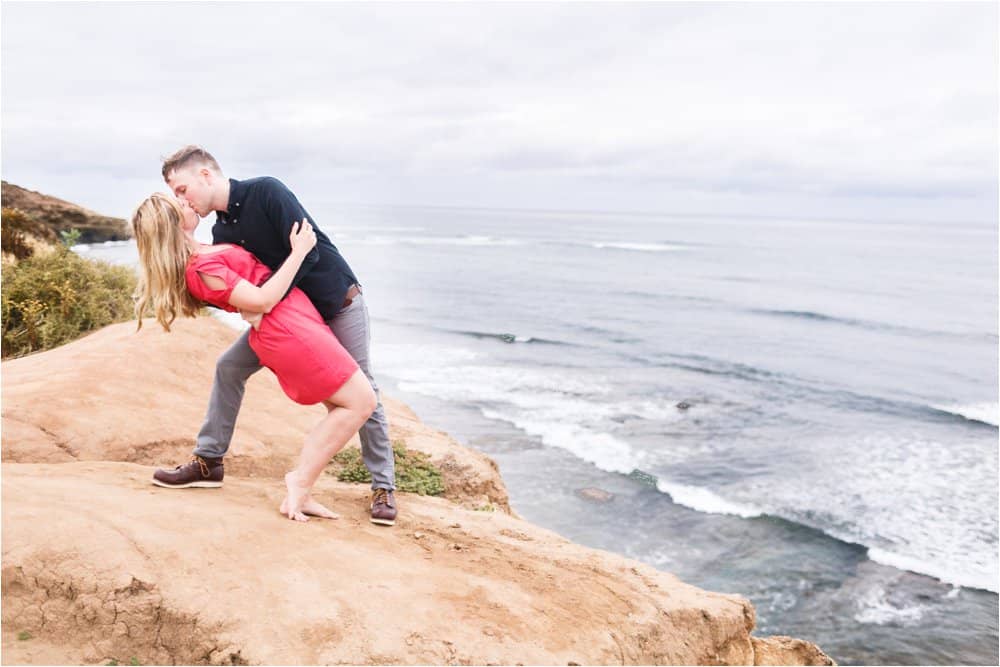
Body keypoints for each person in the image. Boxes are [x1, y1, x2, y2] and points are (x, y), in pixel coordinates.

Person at [152, 145, 398, 526]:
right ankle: (208, 461)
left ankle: (383, 487)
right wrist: (258, 306)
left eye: (181, 190)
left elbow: (309, 251)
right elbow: (231, 284)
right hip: (286, 319)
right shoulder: (220, 230)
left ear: (205, 175)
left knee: (364, 390)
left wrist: (265, 303)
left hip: (335, 305)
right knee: (229, 367)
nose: (180, 199)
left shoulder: (266, 192)